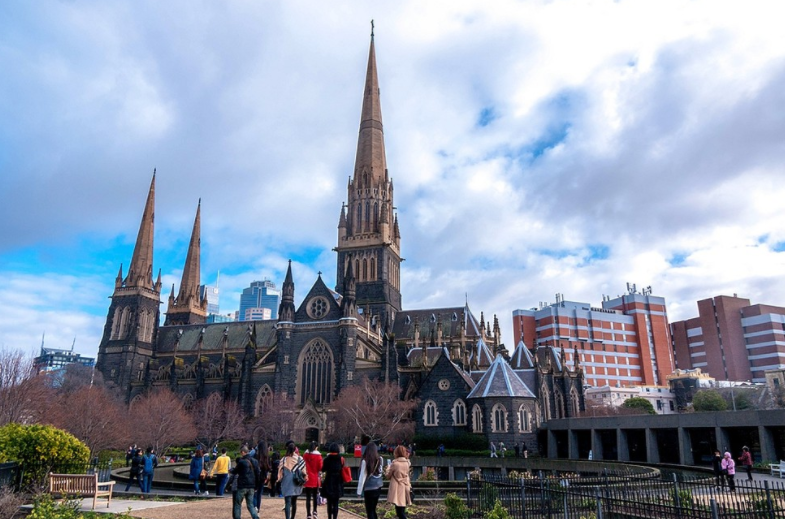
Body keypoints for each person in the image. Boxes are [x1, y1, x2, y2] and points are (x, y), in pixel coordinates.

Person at [232, 446, 260, 519]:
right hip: (252, 485)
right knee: (250, 504)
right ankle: (255, 517)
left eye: (241, 452)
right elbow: (258, 474)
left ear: (243, 452)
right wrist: (256, 486)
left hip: (242, 485)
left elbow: (235, 471)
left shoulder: (241, 461)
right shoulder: (255, 461)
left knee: (238, 504)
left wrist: (231, 470)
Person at [279, 442, 306, 519]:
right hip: (296, 482)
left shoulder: (283, 459)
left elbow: (280, 473)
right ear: (295, 449)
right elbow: (304, 472)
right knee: (294, 502)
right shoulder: (300, 459)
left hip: (286, 482)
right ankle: (292, 517)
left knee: (287, 502)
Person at [357, 442, 383, 519]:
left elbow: (362, 477)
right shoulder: (380, 459)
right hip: (378, 486)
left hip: (369, 488)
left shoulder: (365, 461)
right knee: (373, 509)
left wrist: (359, 492)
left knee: (369, 511)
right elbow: (380, 472)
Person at [386, 445, 412, 519]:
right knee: (401, 510)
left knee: (400, 512)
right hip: (405, 487)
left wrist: (388, 468)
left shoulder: (395, 464)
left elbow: (388, 476)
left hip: (398, 488)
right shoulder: (407, 463)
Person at [321, 443, 344, 519]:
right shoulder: (341, 459)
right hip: (338, 481)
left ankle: (329, 517)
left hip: (329, 481)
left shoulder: (327, 459)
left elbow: (323, 469)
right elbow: (342, 467)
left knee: (329, 503)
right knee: (336, 503)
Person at [303, 441, 323, 519]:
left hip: (307, 477)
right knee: (315, 496)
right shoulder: (318, 456)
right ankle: (315, 511)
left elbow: (302, 465)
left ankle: (308, 514)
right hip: (315, 478)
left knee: (308, 497)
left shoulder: (305, 455)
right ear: (316, 447)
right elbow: (320, 467)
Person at [253, 440, 270, 510]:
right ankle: (258, 507)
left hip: (255, 476)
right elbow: (268, 468)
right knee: (259, 493)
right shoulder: (267, 457)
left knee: (255, 492)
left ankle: (255, 506)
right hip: (263, 476)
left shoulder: (256, 455)